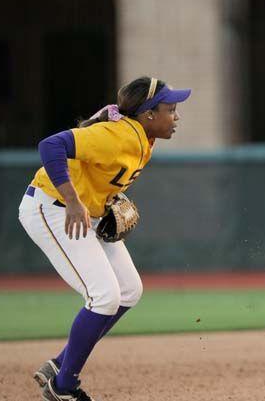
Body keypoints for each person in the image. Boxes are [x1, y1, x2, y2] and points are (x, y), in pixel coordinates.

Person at [18, 76, 190, 401]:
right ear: (149, 114)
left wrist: (103, 201)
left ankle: (59, 365)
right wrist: (72, 200)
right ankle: (63, 387)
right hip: (51, 206)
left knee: (129, 291)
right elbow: (50, 146)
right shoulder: (115, 135)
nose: (176, 116)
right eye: (171, 109)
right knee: (104, 297)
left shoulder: (142, 138)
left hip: (84, 212)